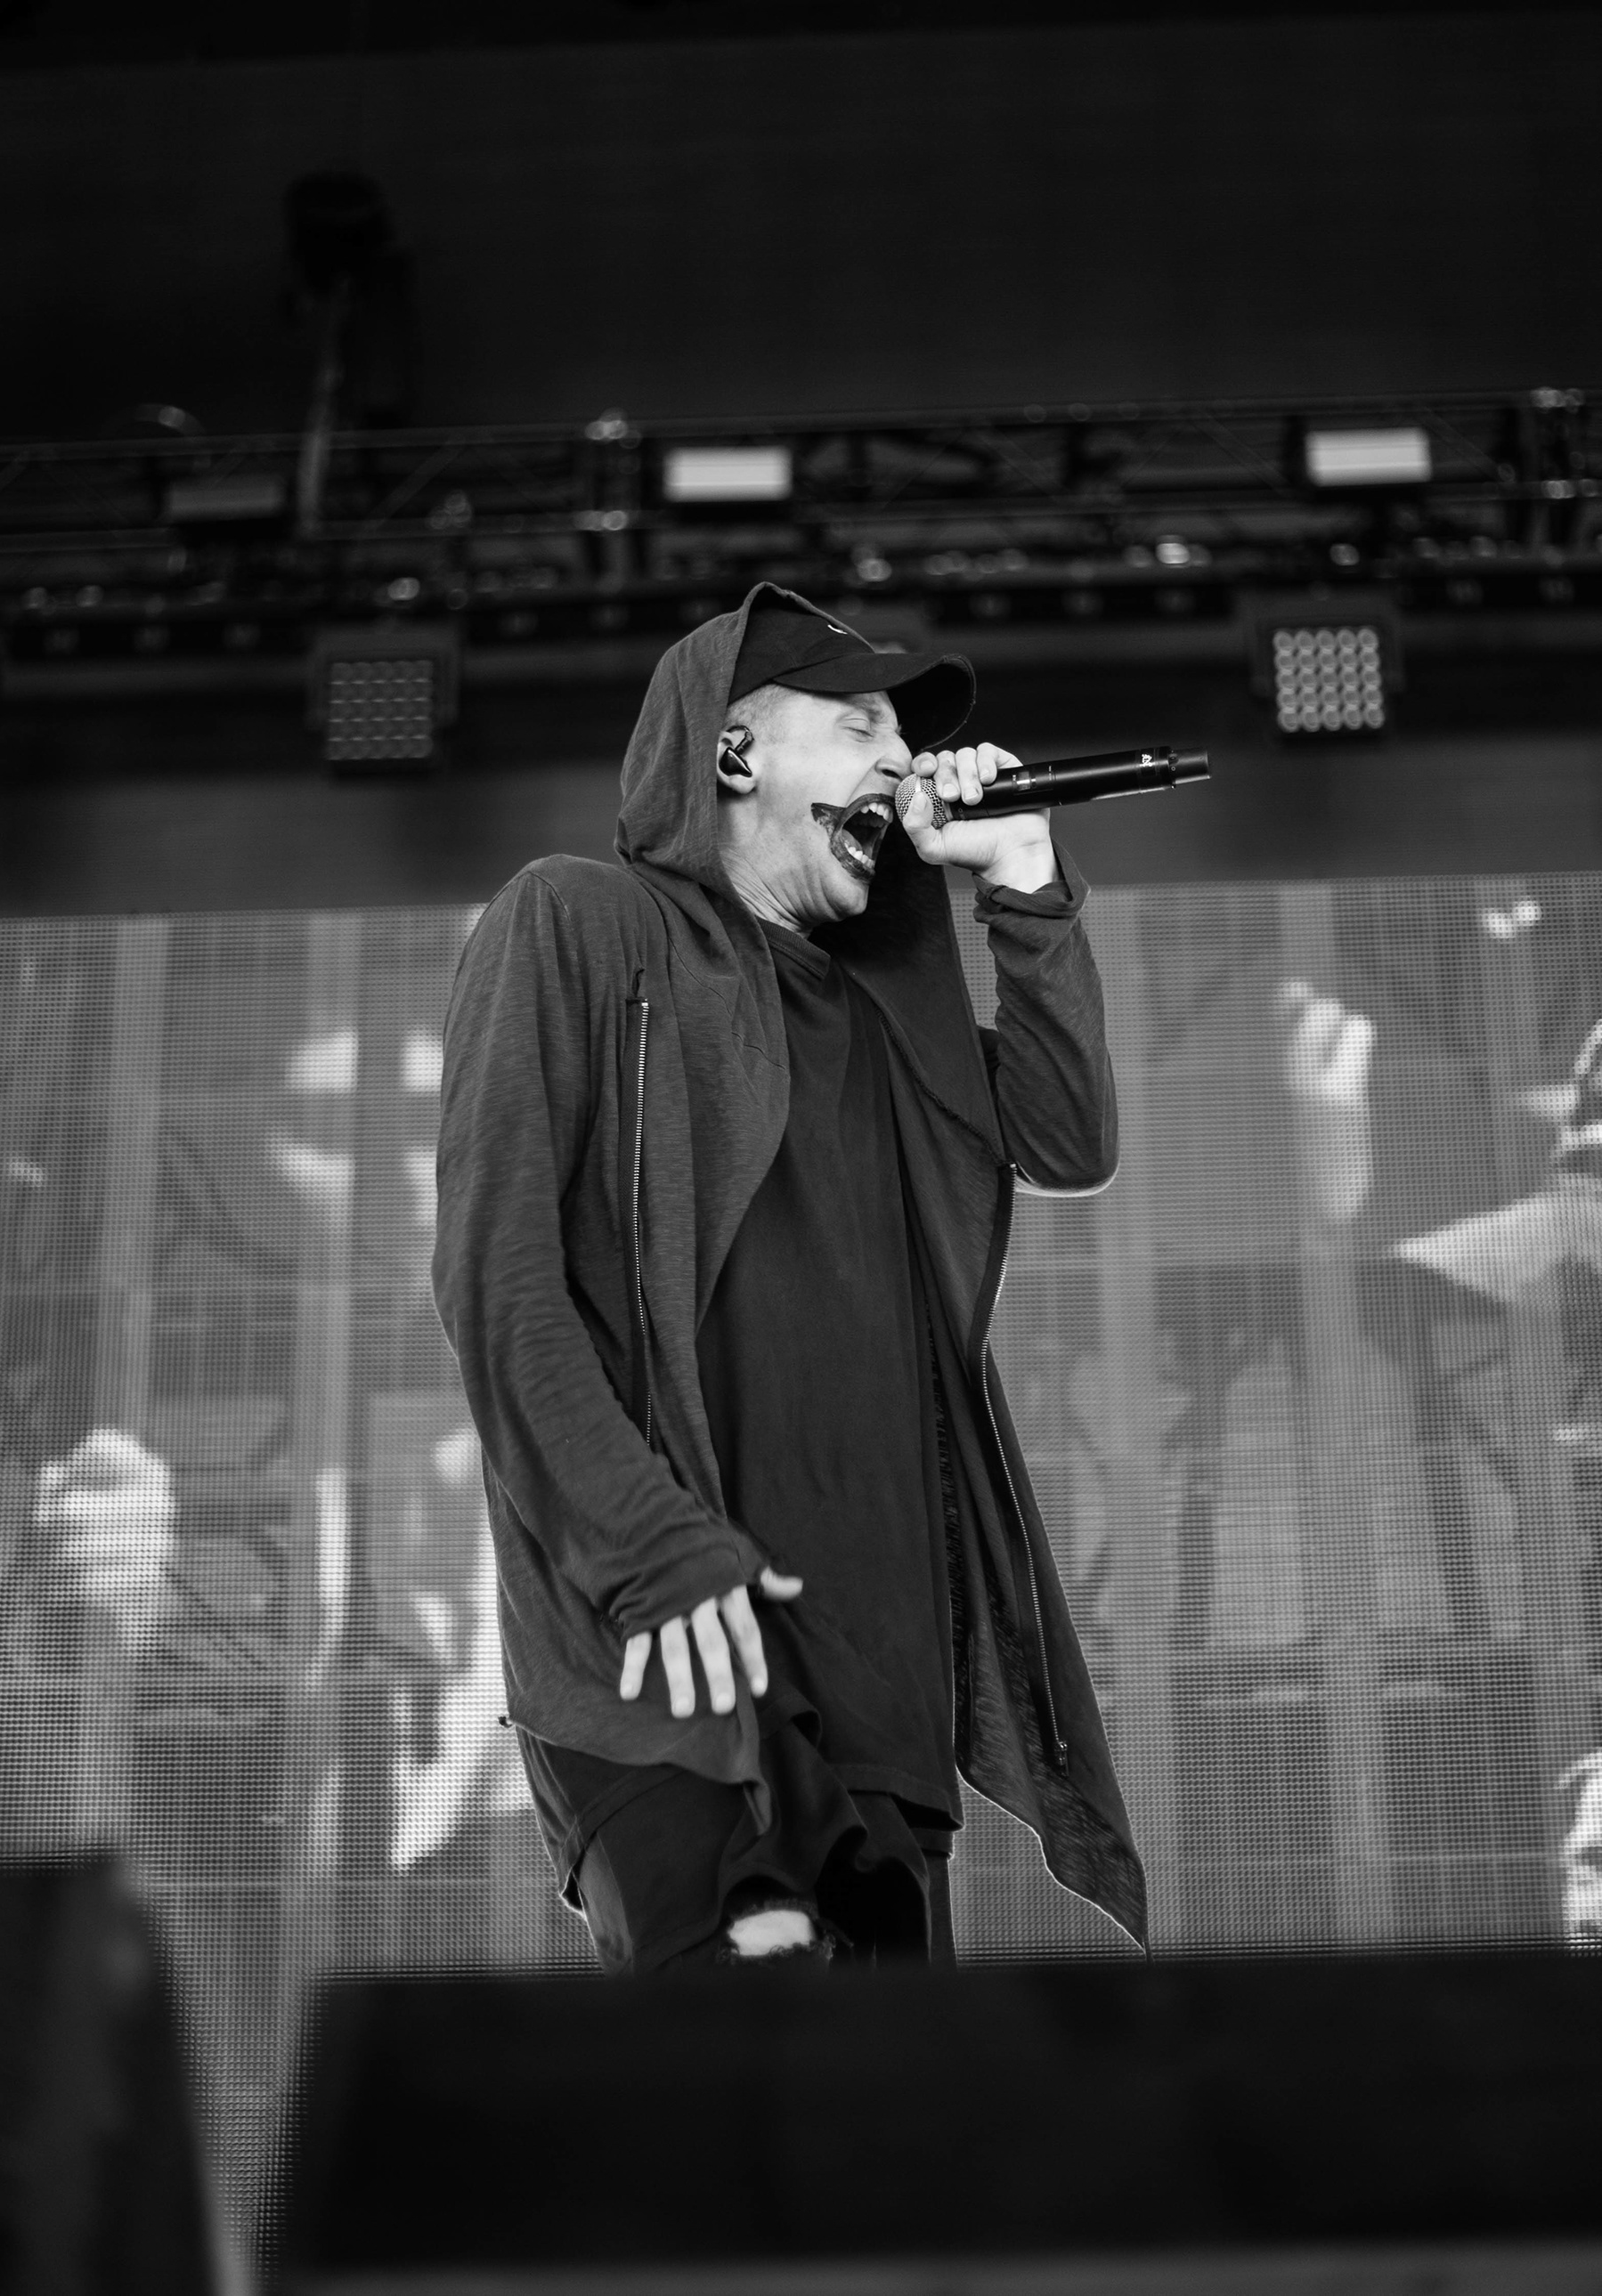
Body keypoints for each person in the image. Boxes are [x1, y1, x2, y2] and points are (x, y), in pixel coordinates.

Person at [432, 584, 1145, 1972]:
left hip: (881, 1689)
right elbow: (498, 1279)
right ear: (734, 750)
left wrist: (1021, 878)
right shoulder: (578, 923)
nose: (901, 759)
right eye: (861, 725)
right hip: (671, 1656)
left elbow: (1068, 1137)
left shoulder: (884, 1028)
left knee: (876, 2107)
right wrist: (653, 1553)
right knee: (735, 2080)